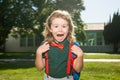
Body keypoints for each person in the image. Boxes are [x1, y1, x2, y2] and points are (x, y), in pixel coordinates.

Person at [35, 10, 83, 80]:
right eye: (56, 26)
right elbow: (39, 68)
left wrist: (80, 55)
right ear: (50, 28)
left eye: (64, 26)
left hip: (67, 78)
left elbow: (78, 69)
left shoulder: (73, 46)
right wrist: (38, 53)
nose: (60, 29)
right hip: (48, 78)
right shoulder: (45, 45)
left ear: (69, 28)